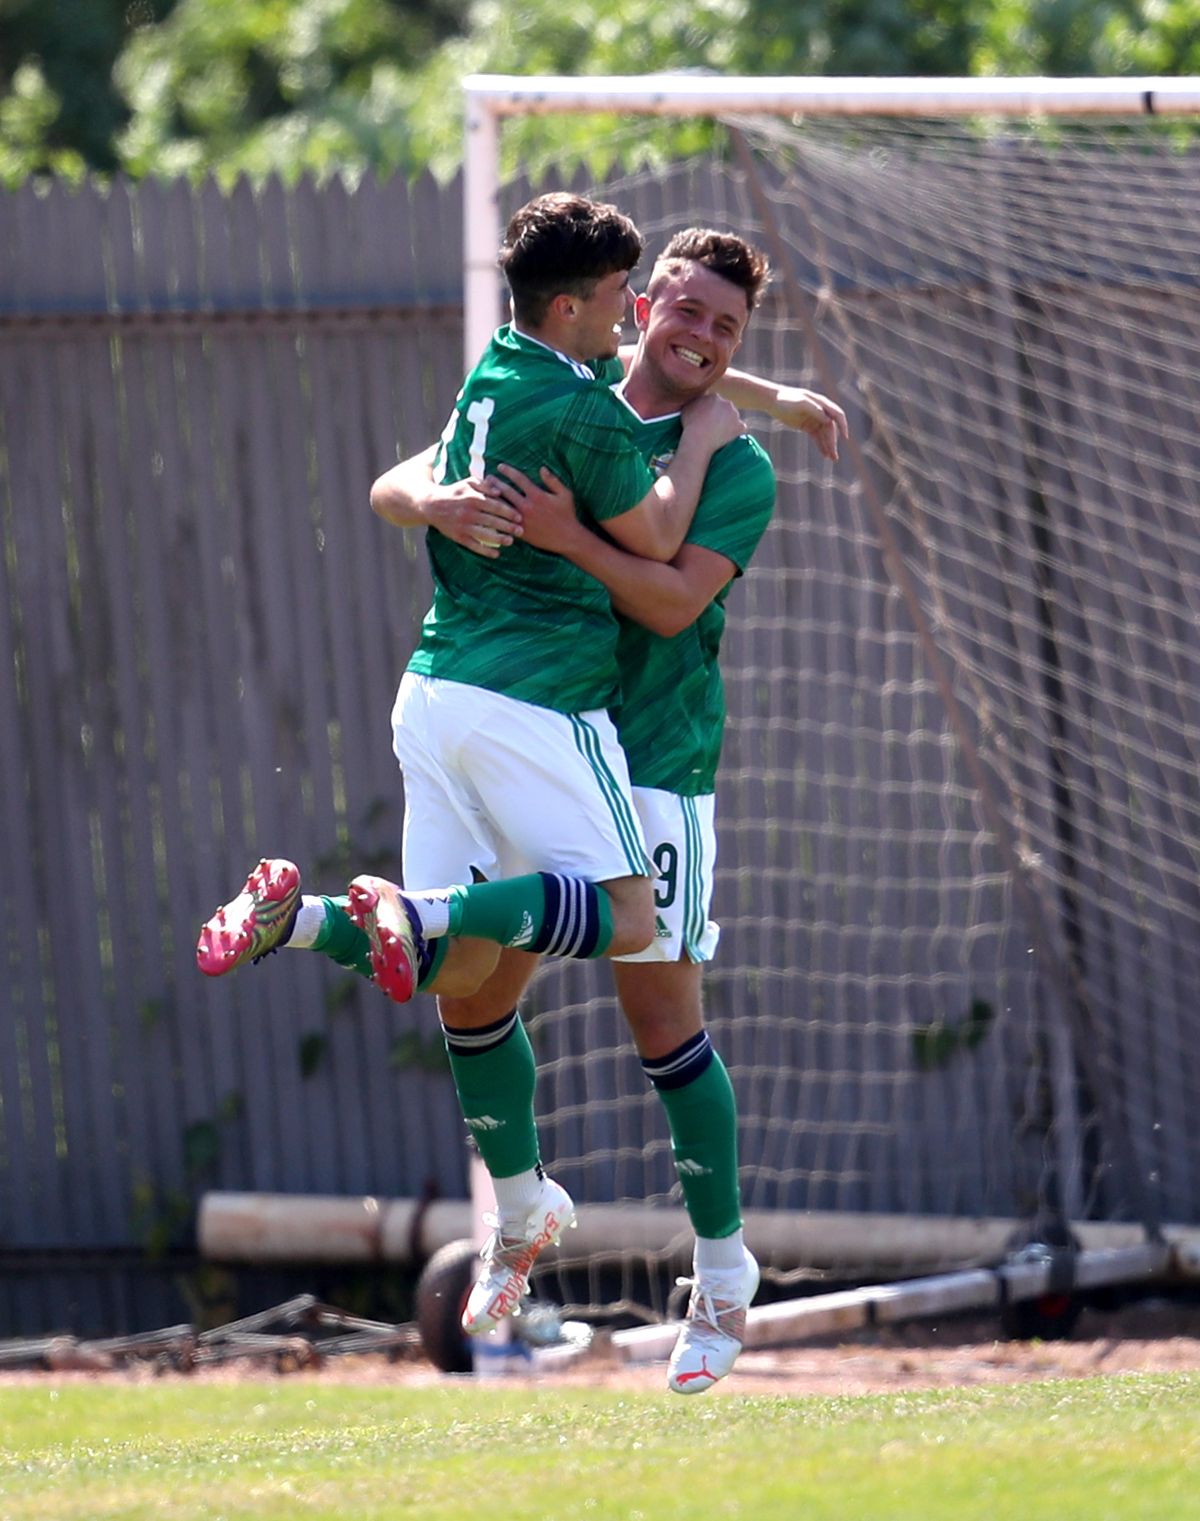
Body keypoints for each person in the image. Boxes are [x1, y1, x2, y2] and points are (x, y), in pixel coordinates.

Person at [368, 229, 846, 1394]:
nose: (700, 336)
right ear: (639, 305)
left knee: (659, 1017)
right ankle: (520, 1214)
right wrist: (439, 501)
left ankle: (722, 1277)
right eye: (684, 309)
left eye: (727, 329)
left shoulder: (730, 463)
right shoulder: (566, 401)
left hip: (650, 763)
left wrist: (568, 530)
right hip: (536, 732)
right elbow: (397, 481)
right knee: (472, 986)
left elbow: (675, 602)